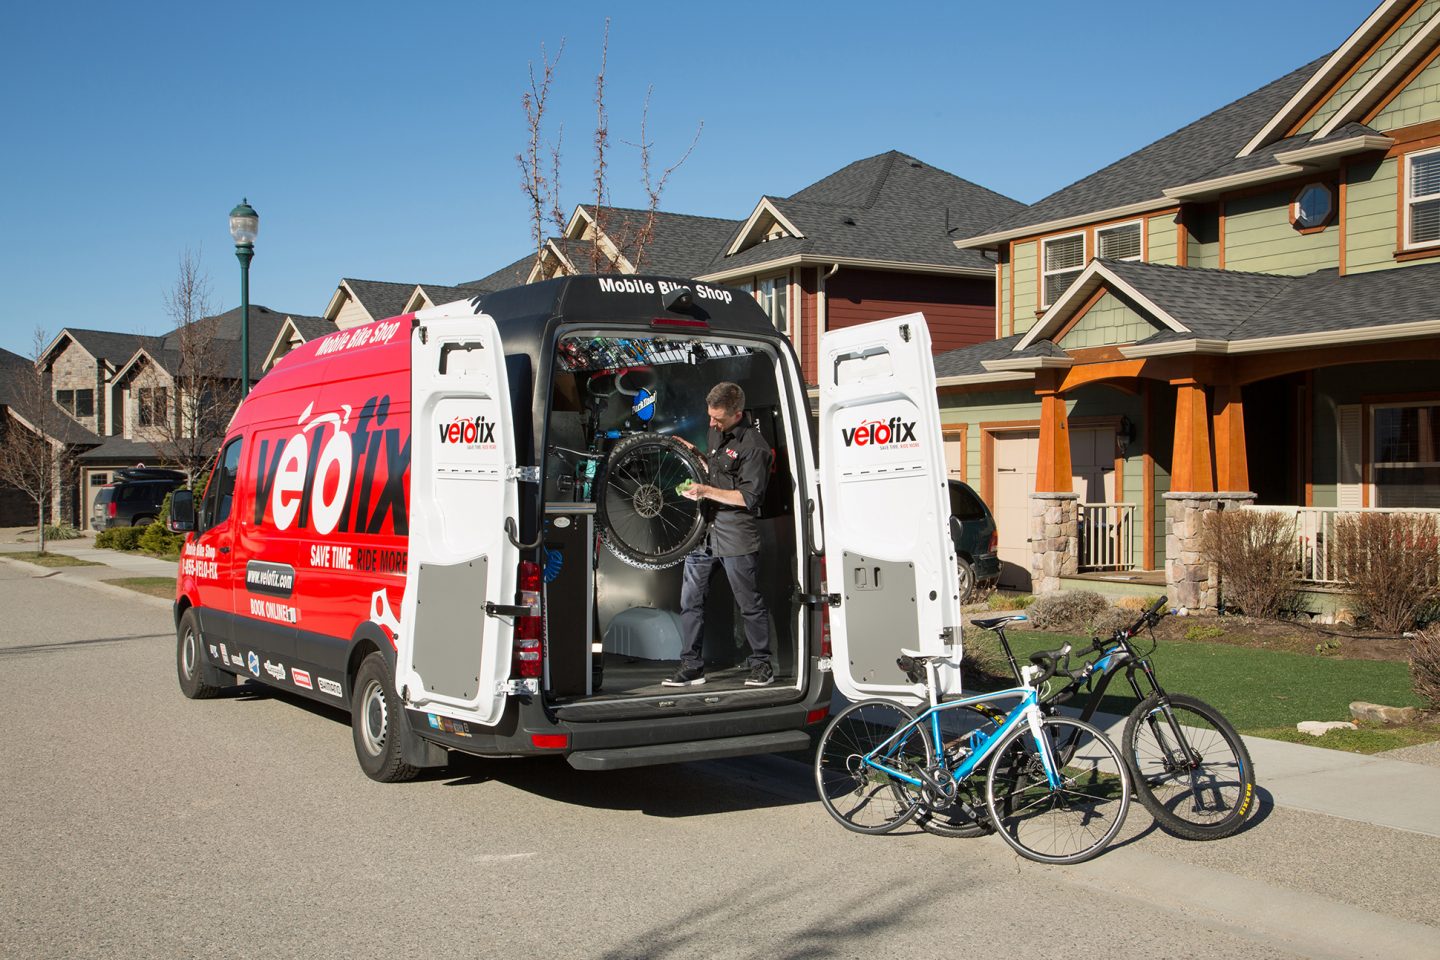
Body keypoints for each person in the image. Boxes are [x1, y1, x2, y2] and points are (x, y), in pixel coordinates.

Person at [664, 382, 774, 687]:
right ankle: (691, 666)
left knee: (748, 603)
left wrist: (705, 491)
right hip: (705, 531)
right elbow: (716, 469)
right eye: (710, 417)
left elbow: (748, 498)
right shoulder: (715, 431)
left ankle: (762, 665)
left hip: (735, 533)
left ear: (737, 413)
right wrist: (696, 453)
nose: (712, 423)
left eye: (718, 419)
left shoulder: (755, 447)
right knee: (690, 601)